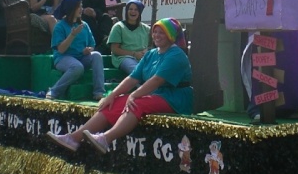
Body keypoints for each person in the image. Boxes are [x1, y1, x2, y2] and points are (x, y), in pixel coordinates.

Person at [47, 18, 192, 154]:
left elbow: (156, 81)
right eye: (155, 31)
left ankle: (106, 139)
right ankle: (73, 138)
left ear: (171, 36)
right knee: (115, 102)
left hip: (175, 98)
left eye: (161, 32)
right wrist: (111, 95)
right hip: (157, 94)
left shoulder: (176, 55)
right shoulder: (151, 54)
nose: (156, 35)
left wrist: (134, 95)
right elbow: (132, 78)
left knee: (137, 102)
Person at [46, 0, 105, 101]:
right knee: (77, 67)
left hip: (82, 57)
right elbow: (61, 50)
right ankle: (54, 91)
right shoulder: (60, 26)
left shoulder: (84, 25)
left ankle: (98, 92)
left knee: (97, 55)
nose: (81, 9)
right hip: (63, 58)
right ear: (71, 9)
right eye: (79, 7)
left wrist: (89, 49)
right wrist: (72, 35)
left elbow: (92, 44)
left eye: (81, 6)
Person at [107, 0, 150, 74]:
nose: (133, 11)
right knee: (135, 70)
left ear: (140, 12)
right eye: (130, 9)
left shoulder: (146, 28)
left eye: (136, 10)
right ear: (126, 11)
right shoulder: (118, 27)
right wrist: (134, 54)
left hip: (143, 58)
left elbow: (152, 45)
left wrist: (146, 50)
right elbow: (114, 49)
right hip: (124, 58)